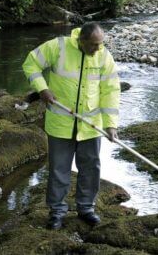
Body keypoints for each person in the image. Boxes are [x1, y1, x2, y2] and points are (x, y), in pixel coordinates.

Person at [22, 22, 120, 230]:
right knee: (59, 170)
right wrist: (42, 89)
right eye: (94, 45)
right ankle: (57, 211)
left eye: (100, 44)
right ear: (81, 41)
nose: (98, 48)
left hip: (91, 126)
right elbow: (30, 64)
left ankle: (86, 209)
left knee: (91, 168)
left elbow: (110, 91)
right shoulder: (58, 47)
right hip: (61, 124)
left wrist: (111, 125)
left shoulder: (104, 57)